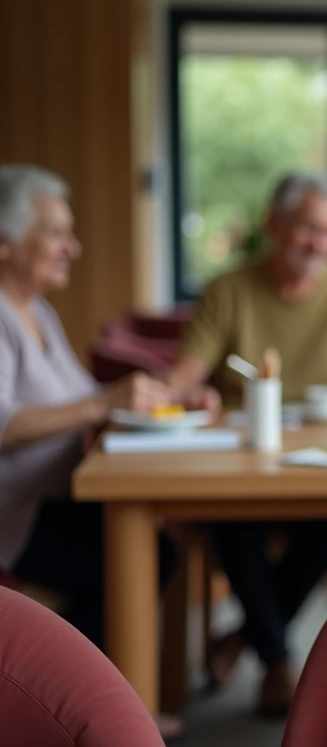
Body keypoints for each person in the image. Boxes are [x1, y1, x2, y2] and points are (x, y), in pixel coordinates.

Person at [165, 170, 327, 715]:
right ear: (273, 224)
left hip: (325, 467)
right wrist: (185, 395)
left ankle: (248, 640)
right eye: (306, 228)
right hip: (241, 464)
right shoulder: (229, 290)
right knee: (230, 523)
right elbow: (184, 376)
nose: (318, 244)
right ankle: (275, 659)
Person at [0, 164, 191, 740]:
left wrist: (170, 400)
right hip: (14, 518)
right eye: (56, 233)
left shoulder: (37, 311)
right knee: (140, 555)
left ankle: (97, 707)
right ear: (4, 243)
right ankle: (77, 709)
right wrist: (106, 400)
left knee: (151, 547)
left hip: (50, 502)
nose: (72, 248)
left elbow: (91, 400)